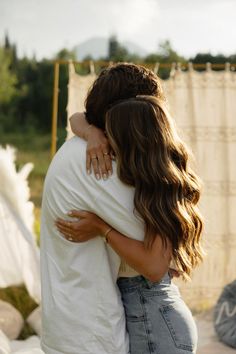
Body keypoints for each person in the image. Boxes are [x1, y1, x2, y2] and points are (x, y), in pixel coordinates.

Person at [56, 95, 204, 353]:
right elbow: (75, 118)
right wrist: (92, 133)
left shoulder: (159, 188)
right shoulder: (148, 180)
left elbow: (154, 268)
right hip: (154, 319)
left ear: (131, 140)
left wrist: (102, 229)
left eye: (111, 136)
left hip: (157, 326)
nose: (108, 144)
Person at [40, 63, 168, 354]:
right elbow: (158, 262)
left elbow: (77, 117)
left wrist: (86, 128)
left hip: (66, 325)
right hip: (94, 335)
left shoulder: (75, 147)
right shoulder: (101, 167)